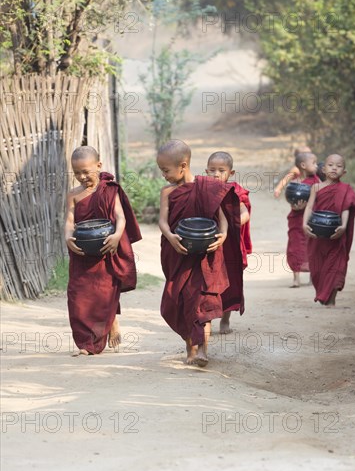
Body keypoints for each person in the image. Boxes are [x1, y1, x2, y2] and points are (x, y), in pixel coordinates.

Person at [157, 139, 242, 367]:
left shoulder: (209, 187)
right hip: (180, 254)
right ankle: (190, 349)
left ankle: (202, 349)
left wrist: (223, 236)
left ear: (183, 165)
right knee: (182, 301)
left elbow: (222, 220)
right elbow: (162, 222)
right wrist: (171, 237)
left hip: (206, 257)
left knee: (203, 302)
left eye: (165, 170)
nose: (163, 175)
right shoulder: (167, 192)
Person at [65, 146, 141, 355]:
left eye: (86, 172)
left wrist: (117, 237)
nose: (81, 177)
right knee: (77, 296)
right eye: (77, 172)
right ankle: (84, 341)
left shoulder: (109, 189)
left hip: (106, 248)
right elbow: (69, 221)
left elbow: (121, 216)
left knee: (104, 294)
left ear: (98, 166)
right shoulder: (73, 194)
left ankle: (99, 336)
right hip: (82, 252)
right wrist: (67, 237)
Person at [303, 154, 355, 306]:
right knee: (317, 270)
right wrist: (304, 224)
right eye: (330, 165)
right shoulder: (316, 187)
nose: (334, 168)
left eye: (339, 166)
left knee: (336, 267)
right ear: (323, 169)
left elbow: (345, 209)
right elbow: (309, 206)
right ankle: (323, 293)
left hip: (336, 235)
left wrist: (343, 226)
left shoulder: (345, 189)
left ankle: (331, 300)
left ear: (344, 172)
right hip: (317, 235)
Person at [205, 151, 252, 333]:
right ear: (206, 171)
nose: (216, 174)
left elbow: (244, 213)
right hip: (211, 242)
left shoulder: (234, 191)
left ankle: (225, 319)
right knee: (209, 280)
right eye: (212, 170)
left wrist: (234, 224)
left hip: (230, 245)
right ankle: (207, 318)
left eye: (221, 170)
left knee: (230, 280)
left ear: (231, 173)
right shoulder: (203, 191)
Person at [286, 152, 319, 288]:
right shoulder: (295, 183)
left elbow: (321, 197)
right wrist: (296, 206)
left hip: (312, 220)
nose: (317, 166)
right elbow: (291, 200)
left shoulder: (317, 182)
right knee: (295, 248)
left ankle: (312, 277)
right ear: (304, 165)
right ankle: (296, 278)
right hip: (297, 219)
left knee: (312, 247)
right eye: (314, 163)